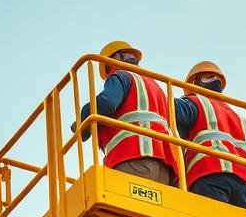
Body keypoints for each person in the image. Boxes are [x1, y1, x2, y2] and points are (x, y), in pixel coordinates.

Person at [74, 41, 179, 185]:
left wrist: (84, 117)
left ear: (115, 59)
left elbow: (106, 103)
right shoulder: (158, 87)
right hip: (165, 170)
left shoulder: (121, 76)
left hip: (133, 159)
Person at [173, 61, 246, 208]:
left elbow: (168, 112)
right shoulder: (241, 118)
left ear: (195, 82)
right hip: (243, 186)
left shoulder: (196, 102)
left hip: (209, 174)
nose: (215, 80)